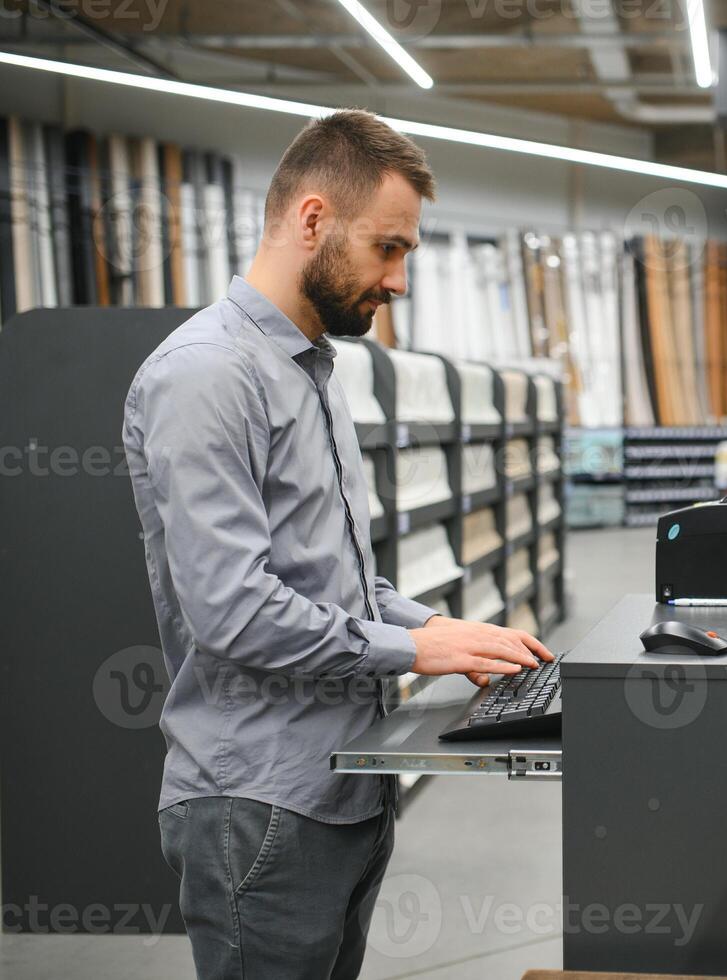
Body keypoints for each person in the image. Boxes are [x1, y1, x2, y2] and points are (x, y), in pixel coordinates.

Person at [122, 109, 552, 980]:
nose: (398, 281)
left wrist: (439, 628)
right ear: (312, 220)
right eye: (387, 249)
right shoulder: (207, 374)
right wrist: (408, 647)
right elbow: (233, 610)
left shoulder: (311, 371)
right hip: (261, 802)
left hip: (343, 784)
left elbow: (335, 577)